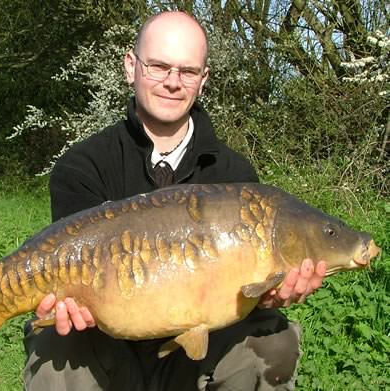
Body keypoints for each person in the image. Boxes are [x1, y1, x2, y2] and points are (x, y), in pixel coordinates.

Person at [23, 11, 326, 391]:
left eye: (187, 71)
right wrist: (66, 303)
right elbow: (68, 269)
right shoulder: (82, 166)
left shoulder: (235, 176)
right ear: (131, 66)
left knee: (274, 339)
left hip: (196, 357)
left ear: (204, 78)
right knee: (55, 345)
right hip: (105, 346)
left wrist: (272, 294)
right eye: (158, 66)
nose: (172, 83)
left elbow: (246, 288)